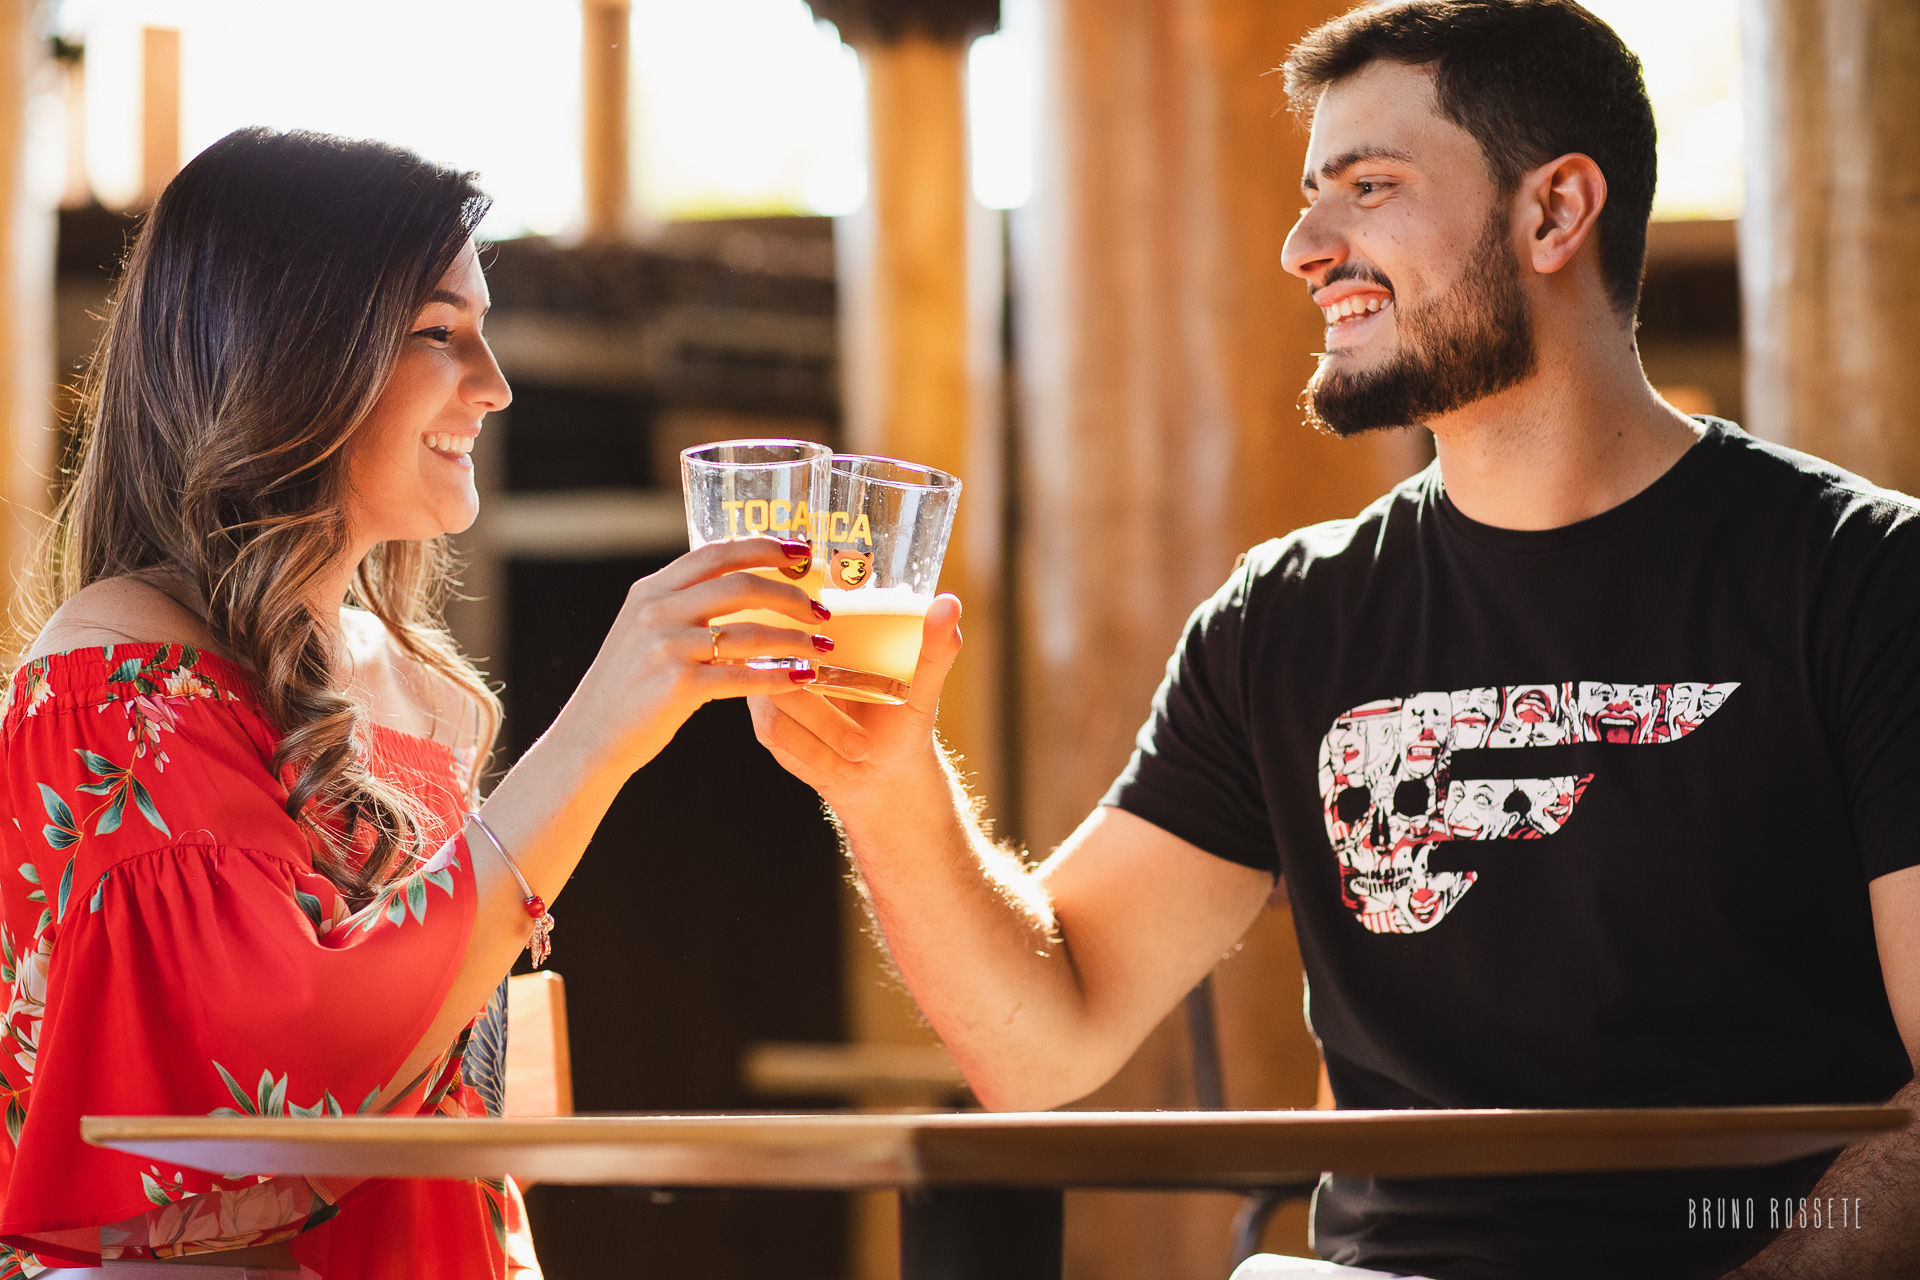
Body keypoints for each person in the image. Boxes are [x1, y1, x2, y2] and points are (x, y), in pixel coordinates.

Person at [749, 2, 1920, 1278]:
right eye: (1314, 196)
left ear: (1554, 213)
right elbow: (1045, 1037)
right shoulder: (1284, 619)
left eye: (1371, 187)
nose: (1308, 246)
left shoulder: (1865, 580)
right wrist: (882, 778)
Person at [0, 128, 833, 1277]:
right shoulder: (113, 673)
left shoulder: (423, 692)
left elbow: (451, 1088)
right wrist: (598, 732)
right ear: (284, 355)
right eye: (440, 334)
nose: (492, 386)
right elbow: (278, 1095)